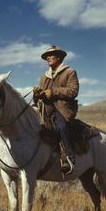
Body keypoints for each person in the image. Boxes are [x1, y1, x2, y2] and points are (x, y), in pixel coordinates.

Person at [33, 45, 79, 175]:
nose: (47, 58)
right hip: (45, 109)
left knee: (61, 126)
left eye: (50, 55)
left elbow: (73, 91)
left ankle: (69, 158)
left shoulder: (70, 72)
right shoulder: (44, 77)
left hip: (63, 108)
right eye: (46, 56)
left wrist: (53, 92)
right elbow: (39, 99)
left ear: (58, 57)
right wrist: (37, 95)